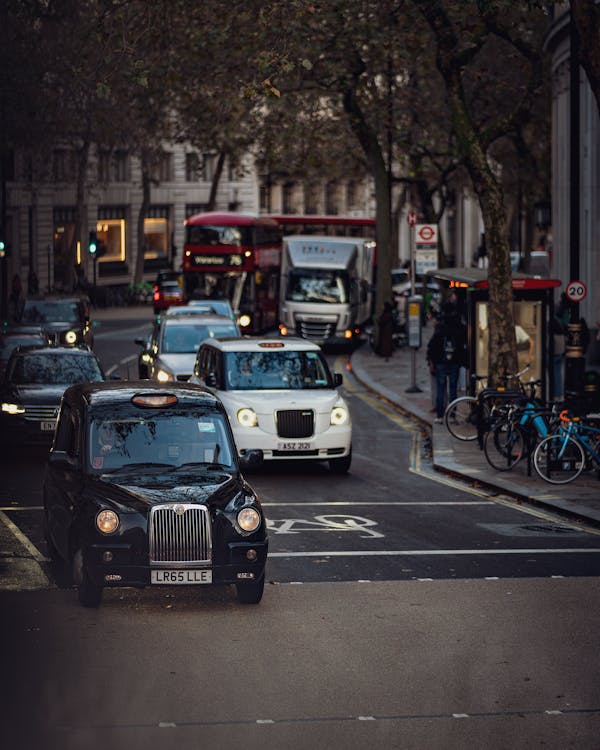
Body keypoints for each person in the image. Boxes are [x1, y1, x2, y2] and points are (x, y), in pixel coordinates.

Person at [427, 305, 466, 424]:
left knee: (440, 389)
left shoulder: (440, 330)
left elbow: (432, 346)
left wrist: (431, 361)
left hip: (441, 363)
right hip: (454, 362)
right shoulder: (458, 329)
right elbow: (462, 346)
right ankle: (452, 415)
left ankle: (439, 416)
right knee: (453, 389)